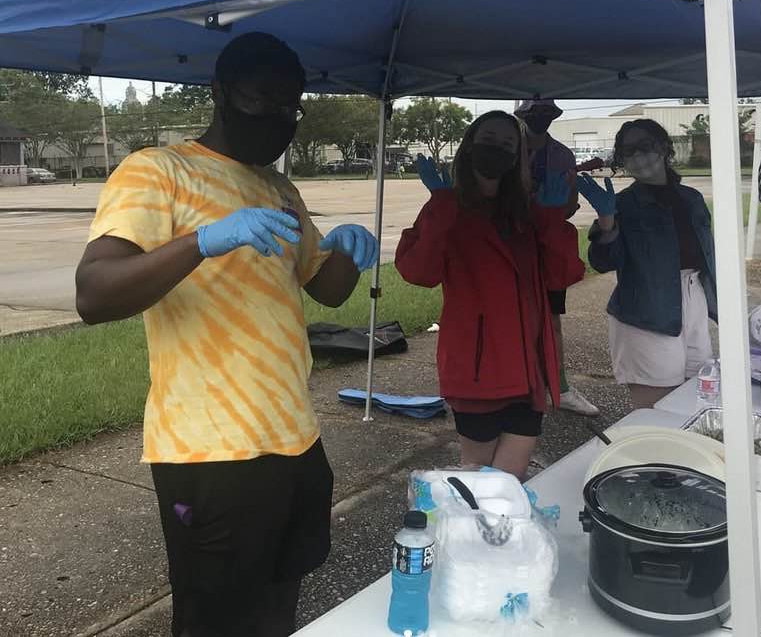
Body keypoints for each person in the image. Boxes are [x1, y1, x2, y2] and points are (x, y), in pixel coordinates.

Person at [75, 32, 379, 637]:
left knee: (280, 598)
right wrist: (204, 239)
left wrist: (348, 248)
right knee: (214, 619)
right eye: (262, 97)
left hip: (294, 436)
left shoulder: (278, 188)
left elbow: (326, 289)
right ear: (220, 93)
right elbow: (95, 294)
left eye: (291, 104)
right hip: (209, 451)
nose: (278, 115)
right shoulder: (158, 170)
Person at [395, 111, 583, 480]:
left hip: (530, 371)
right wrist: (441, 204)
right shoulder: (449, 209)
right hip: (479, 370)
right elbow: (418, 272)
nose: (497, 148)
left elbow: (564, 274)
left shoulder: (525, 213)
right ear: (469, 148)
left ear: (518, 157)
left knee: (505, 486)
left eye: (508, 144)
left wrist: (550, 220)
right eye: (489, 139)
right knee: (480, 485)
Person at [578, 119, 717, 410]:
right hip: (645, 313)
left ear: (664, 147)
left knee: (698, 399)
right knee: (658, 412)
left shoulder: (691, 199)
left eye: (645, 146)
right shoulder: (622, 205)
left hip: (695, 303)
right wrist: (607, 224)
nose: (638, 156)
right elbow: (603, 262)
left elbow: (708, 256)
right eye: (628, 152)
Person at [515, 98, 599, 417]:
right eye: (534, 112)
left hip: (548, 247)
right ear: (522, 114)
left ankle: (559, 386)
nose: (541, 118)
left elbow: (570, 199)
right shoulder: (511, 150)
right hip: (513, 245)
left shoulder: (562, 154)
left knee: (551, 320)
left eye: (547, 112)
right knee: (513, 317)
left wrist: (552, 208)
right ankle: (520, 384)